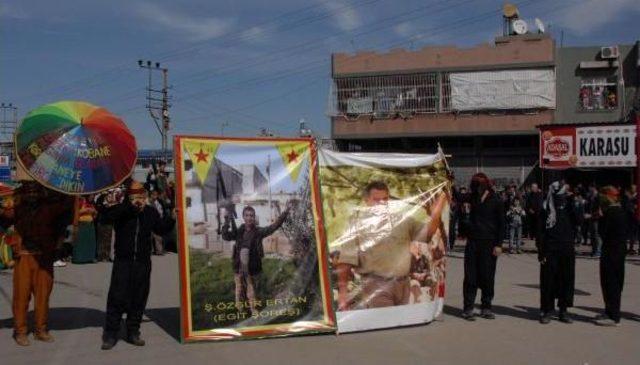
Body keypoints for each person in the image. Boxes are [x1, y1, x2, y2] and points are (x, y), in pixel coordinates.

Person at [334, 181, 447, 310]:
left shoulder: (401, 220)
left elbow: (428, 233)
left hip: (403, 284)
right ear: (366, 200)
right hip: (376, 285)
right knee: (384, 324)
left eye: (385, 199)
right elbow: (346, 261)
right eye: (376, 200)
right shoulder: (357, 224)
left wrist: (435, 214)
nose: (381, 203)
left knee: (401, 325)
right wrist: (343, 293)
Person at [101, 180, 175, 350]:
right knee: (117, 296)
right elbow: (105, 218)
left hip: (142, 262)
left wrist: (171, 219)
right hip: (123, 261)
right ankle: (111, 334)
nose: (138, 199)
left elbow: (160, 229)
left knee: (139, 297)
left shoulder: (149, 212)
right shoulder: (122, 211)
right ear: (128, 197)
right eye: (134, 195)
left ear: (145, 196)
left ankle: (133, 331)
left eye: (141, 195)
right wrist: (128, 207)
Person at [5, 182, 74, 346]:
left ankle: (40, 330)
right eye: (28, 191)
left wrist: (71, 190)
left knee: (43, 296)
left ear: (41, 192)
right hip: (23, 256)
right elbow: (5, 215)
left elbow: (65, 207)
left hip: (44, 257)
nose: (32, 195)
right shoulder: (17, 206)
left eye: (35, 191)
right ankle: (20, 331)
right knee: (21, 296)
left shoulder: (49, 207)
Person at [222, 204, 289, 314]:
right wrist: (226, 220)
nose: (249, 218)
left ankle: (254, 311)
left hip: (252, 268)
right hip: (238, 267)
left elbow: (273, 227)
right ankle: (241, 311)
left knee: (252, 290)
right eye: (247, 215)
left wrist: (285, 213)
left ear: (254, 217)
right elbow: (225, 236)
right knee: (239, 291)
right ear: (243, 217)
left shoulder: (258, 232)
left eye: (252, 215)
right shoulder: (239, 231)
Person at [462, 173, 504, 320]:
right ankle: (468, 308)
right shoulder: (470, 198)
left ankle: (486, 307)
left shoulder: (496, 200)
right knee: (470, 276)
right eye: (473, 184)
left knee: (488, 276)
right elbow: (456, 197)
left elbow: (501, 224)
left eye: (477, 184)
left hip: (489, 243)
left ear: (485, 184)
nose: (474, 187)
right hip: (473, 242)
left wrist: (499, 244)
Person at [537, 182, 577, 324]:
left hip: (566, 248)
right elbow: (540, 231)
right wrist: (541, 251)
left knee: (566, 280)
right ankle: (547, 310)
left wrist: (574, 203)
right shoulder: (546, 208)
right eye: (562, 193)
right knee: (548, 281)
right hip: (550, 249)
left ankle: (563, 310)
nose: (564, 196)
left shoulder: (569, 207)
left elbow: (579, 221)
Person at [596, 187, 629, 326]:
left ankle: (613, 316)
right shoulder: (622, 211)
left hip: (610, 251)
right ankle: (610, 311)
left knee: (610, 282)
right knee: (616, 281)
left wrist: (601, 218)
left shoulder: (610, 212)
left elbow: (603, 232)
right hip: (620, 250)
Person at [72, 195, 98, 264]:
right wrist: (85, 210)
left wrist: (94, 212)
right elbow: (76, 212)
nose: (92, 197)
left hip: (90, 224)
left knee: (90, 242)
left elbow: (95, 213)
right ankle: (79, 258)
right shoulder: (81, 202)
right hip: (82, 224)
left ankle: (89, 258)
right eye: (91, 196)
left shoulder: (91, 204)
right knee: (81, 242)